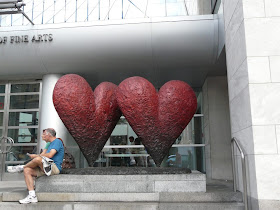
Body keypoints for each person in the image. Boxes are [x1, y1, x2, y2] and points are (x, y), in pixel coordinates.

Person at [7, 128, 64, 204]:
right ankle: (32, 196)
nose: (42, 136)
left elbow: (50, 155)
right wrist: (36, 156)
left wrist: (36, 156)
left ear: (49, 135)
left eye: (44, 134)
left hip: (54, 167)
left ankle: (21, 167)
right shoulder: (49, 144)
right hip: (45, 167)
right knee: (27, 170)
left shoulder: (57, 141)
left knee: (37, 159)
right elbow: (42, 155)